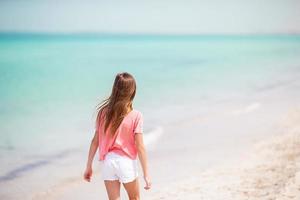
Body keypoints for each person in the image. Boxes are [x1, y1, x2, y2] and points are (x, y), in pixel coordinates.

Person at [83, 72, 151, 200]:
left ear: (115, 89)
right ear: (132, 91)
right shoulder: (136, 115)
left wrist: (89, 166)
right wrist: (146, 174)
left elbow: (95, 141)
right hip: (126, 162)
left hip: (108, 162)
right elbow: (140, 146)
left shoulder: (103, 113)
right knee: (134, 198)